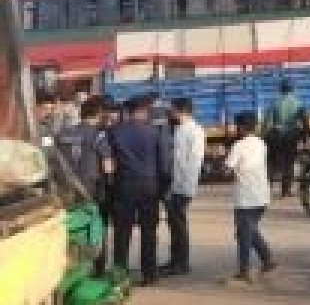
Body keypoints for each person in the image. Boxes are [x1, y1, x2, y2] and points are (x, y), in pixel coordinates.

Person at [105, 95, 172, 286]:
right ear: (145, 111)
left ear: (129, 111)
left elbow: (109, 162)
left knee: (122, 232)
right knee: (149, 232)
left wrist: (111, 185)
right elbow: (164, 165)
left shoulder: (114, 132)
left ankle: (120, 275)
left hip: (124, 186)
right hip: (150, 187)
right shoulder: (155, 132)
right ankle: (149, 275)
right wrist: (162, 188)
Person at [55, 95, 114, 274]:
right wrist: (111, 186)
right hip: (92, 192)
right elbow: (108, 166)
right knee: (95, 229)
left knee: (69, 229)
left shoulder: (62, 133)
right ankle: (97, 269)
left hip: (66, 192)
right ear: (98, 113)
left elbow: (52, 159)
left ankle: (67, 268)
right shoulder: (99, 135)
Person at [224, 111, 276, 284]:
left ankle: (244, 270)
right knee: (249, 230)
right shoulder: (261, 143)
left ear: (241, 127)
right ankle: (267, 259)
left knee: (244, 234)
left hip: (246, 197)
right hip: (261, 195)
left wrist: (223, 162)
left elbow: (228, 169)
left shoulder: (238, 146)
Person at [161, 98, 205, 277]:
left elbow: (193, 162)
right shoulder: (179, 128)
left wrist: (182, 186)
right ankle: (175, 260)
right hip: (175, 184)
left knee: (179, 224)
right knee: (173, 223)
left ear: (181, 111)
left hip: (183, 185)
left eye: (173, 110)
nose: (171, 113)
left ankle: (182, 262)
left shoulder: (195, 131)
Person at [264, 81, 302, 197]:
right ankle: (285, 191)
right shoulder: (297, 103)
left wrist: (265, 136)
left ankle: (266, 190)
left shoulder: (274, 102)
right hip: (291, 136)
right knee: (289, 163)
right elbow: (301, 120)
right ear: (292, 89)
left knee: (271, 163)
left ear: (280, 90)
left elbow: (268, 123)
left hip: (275, 136)